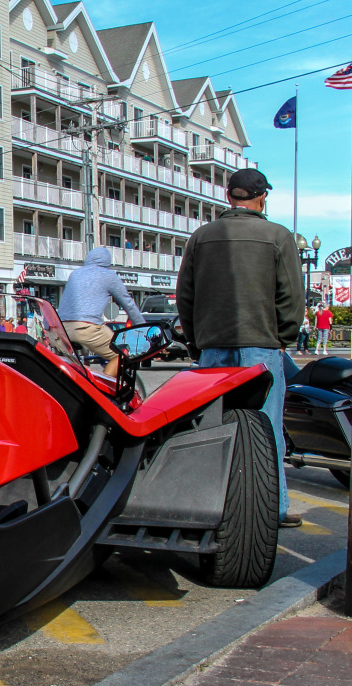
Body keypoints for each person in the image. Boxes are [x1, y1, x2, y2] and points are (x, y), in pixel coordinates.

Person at [176, 167, 303, 529]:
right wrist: (283, 337)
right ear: (262, 198)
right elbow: (291, 297)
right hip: (261, 344)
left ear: (229, 196)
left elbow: (186, 296)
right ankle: (273, 508)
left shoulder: (201, 237)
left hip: (213, 346)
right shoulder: (279, 236)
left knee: (209, 430)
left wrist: (195, 341)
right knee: (267, 429)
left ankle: (207, 505)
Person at [57, 246, 146, 377]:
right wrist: (143, 328)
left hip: (58, 329)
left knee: (76, 367)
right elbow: (128, 304)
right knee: (123, 353)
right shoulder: (109, 275)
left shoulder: (75, 274)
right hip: (86, 329)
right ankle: (105, 392)